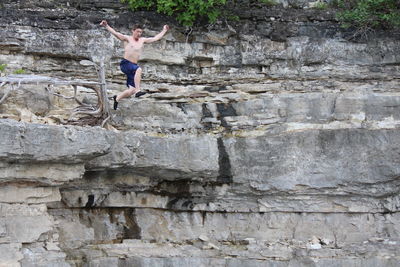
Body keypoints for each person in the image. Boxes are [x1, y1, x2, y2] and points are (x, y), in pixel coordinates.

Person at [100, 20, 169, 110]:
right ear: (133, 31)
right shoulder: (127, 38)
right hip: (126, 64)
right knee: (139, 69)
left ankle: (117, 98)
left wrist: (164, 30)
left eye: (140, 32)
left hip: (133, 66)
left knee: (131, 90)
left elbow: (155, 38)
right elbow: (116, 34)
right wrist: (106, 26)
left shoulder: (142, 40)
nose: (139, 33)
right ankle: (138, 91)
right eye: (137, 31)